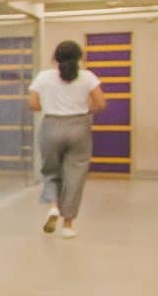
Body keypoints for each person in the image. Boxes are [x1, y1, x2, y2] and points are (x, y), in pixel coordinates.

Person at [28, 40, 105, 239]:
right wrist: (85, 112)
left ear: (55, 57)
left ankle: (54, 206)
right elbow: (101, 103)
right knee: (75, 176)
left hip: (51, 125)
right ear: (80, 57)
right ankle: (68, 226)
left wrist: (49, 106)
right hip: (79, 127)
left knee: (51, 171)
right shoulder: (88, 77)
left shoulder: (44, 77)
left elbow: (33, 104)